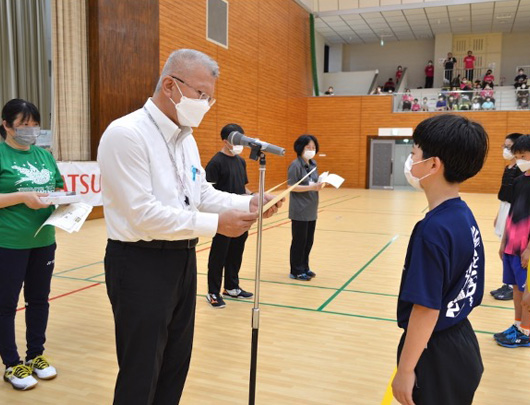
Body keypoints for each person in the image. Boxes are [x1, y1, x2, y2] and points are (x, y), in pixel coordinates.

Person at [97, 49, 282, 404]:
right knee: (141, 372)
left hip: (181, 259)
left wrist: (248, 203)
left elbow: (199, 193)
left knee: (174, 364)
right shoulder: (127, 134)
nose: (206, 103)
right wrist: (216, 225)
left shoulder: (186, 139)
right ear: (170, 85)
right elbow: (143, 214)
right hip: (139, 261)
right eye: (201, 94)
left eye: (210, 97)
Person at [392, 114, 487, 405]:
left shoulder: (432, 230)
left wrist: (406, 369)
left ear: (433, 164)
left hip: (436, 353)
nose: (410, 162)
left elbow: (426, 308)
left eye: (413, 154)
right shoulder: (462, 214)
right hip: (462, 343)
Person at [0, 99, 63, 390]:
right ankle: (12, 363)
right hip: (9, 243)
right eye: (23, 125)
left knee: (39, 300)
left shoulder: (44, 156)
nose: (30, 130)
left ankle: (35, 355)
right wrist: (21, 197)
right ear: (6, 125)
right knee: (6, 305)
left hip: (44, 239)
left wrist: (66, 202)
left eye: (34, 125)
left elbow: (59, 188)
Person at [205, 123, 254, 308]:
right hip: (223, 219)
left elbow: (243, 187)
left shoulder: (241, 161)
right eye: (236, 140)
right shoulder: (215, 163)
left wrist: (253, 197)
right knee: (219, 256)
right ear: (226, 141)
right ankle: (213, 292)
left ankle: (232, 287)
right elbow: (207, 192)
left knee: (236, 252)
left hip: (241, 216)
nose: (240, 144)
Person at [494, 135, 530, 348]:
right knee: (516, 287)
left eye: (523, 156)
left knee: (527, 292)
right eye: (517, 157)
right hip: (512, 245)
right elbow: (511, 213)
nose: (520, 160)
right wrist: (503, 242)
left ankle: (526, 331)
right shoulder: (519, 181)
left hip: (526, 247)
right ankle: (518, 325)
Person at [491, 133, 523, 301]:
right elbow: (505, 195)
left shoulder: (521, 170)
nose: (505, 150)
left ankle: (513, 286)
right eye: (504, 146)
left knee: (511, 249)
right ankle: (507, 283)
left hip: (514, 211)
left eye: (508, 147)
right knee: (503, 247)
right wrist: (499, 215)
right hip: (505, 208)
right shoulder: (508, 167)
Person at [288, 135, 324, 281]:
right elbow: (291, 187)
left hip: (311, 208)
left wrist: (319, 184)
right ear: (300, 147)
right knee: (299, 241)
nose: (311, 150)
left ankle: (305, 267)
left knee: (308, 241)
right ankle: (296, 270)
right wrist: (311, 187)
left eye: (313, 148)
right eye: (308, 147)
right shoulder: (295, 165)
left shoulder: (313, 164)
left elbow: (313, 183)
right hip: (300, 210)